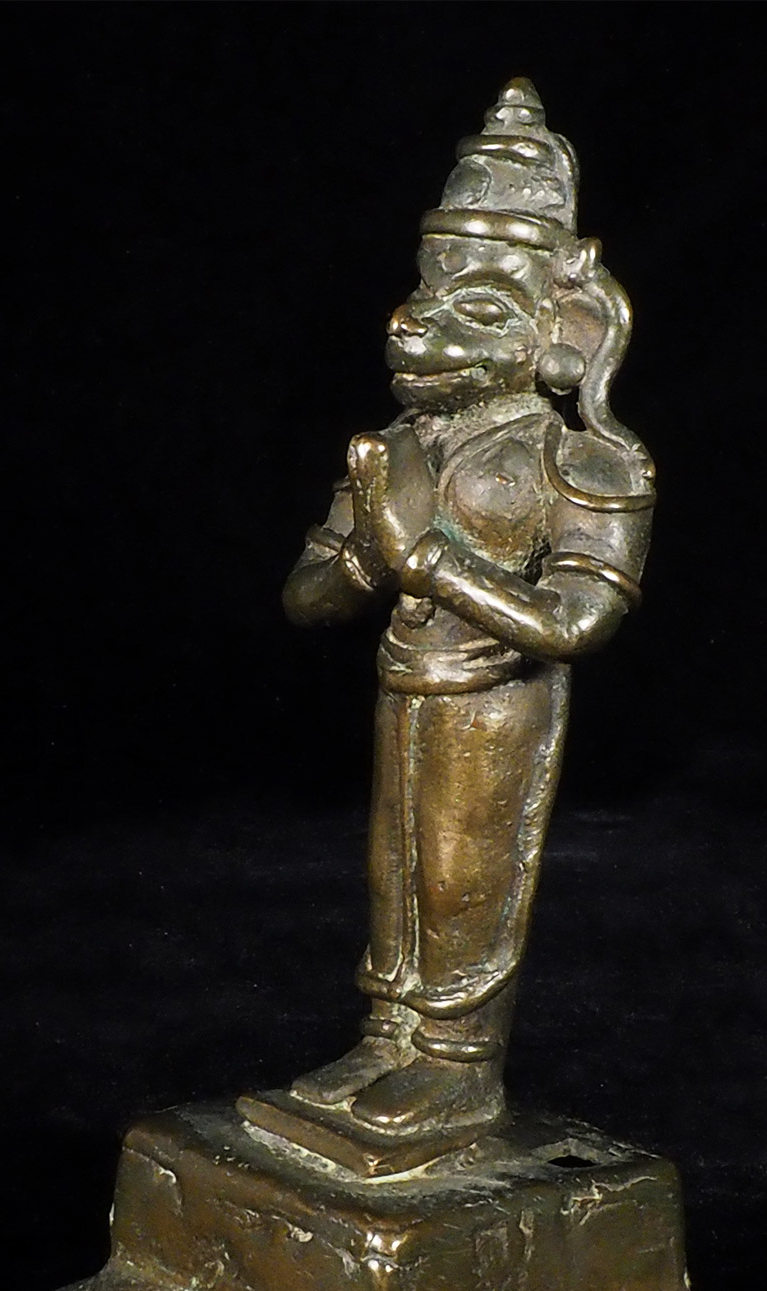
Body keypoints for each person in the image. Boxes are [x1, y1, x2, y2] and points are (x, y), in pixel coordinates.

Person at [281, 79, 655, 1147]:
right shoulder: (397, 449)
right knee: (394, 873)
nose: (420, 325)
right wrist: (366, 555)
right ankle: (391, 1035)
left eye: (479, 310)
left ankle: (458, 1063)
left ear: (565, 335)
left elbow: (576, 623)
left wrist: (432, 565)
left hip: (496, 701)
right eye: (426, 297)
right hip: (406, 687)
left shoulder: (582, 460)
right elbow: (307, 596)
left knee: (464, 874)